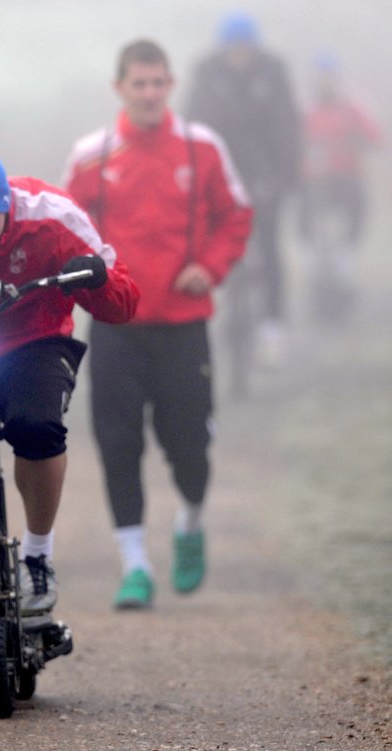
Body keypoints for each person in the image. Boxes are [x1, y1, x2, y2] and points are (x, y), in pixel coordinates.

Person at [63, 39, 252, 609]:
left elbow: (236, 215)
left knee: (190, 445)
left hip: (183, 325)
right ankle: (135, 564)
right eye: (138, 83)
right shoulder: (91, 156)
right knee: (119, 445)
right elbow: (66, 232)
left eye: (158, 83)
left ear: (170, 86)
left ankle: (190, 524)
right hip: (117, 326)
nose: (149, 93)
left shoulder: (201, 149)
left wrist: (210, 267)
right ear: (119, 87)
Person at [0, 147, 139, 623]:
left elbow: (122, 304)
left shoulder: (54, 217)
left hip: (34, 339)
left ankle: (38, 556)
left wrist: (96, 279)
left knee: (37, 427)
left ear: (9, 208)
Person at [185, 10, 300, 377]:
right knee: (206, 245)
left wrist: (286, 175)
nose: (239, 55)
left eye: (244, 48)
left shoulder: (273, 71)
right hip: (220, 174)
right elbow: (193, 123)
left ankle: (272, 327)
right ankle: (211, 314)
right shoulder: (207, 73)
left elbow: (287, 124)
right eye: (233, 48)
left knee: (268, 246)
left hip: (265, 173)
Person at [298, 50, 383, 316]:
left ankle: (346, 275)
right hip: (313, 183)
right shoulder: (304, 109)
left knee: (349, 229)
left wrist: (360, 140)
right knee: (309, 231)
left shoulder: (352, 108)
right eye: (321, 77)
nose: (326, 82)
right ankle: (314, 281)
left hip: (347, 179)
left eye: (329, 77)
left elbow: (374, 136)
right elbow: (288, 139)